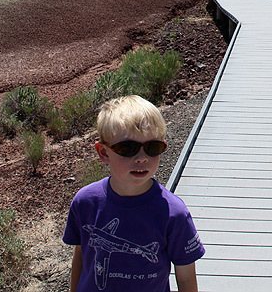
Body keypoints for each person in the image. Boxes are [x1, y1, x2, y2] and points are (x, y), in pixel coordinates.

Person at [64, 95, 204, 292]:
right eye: (127, 148)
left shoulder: (173, 213)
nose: (141, 158)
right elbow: (82, 253)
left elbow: (187, 278)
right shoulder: (85, 202)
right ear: (104, 153)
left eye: (152, 147)